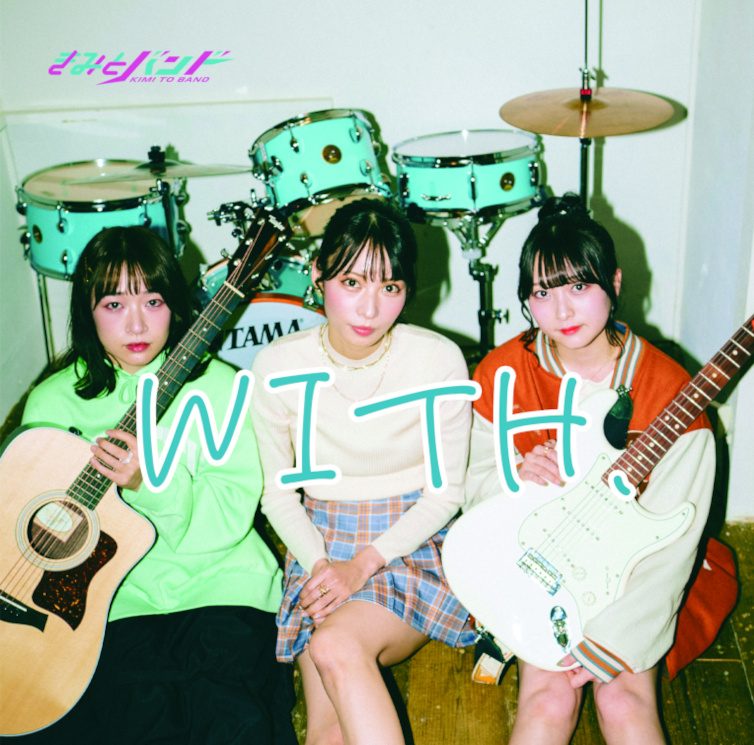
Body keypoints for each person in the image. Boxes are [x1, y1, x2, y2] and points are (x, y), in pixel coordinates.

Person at [16, 226, 296, 745]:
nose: (137, 323)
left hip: (222, 587)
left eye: (154, 301)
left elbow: (227, 519)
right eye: (114, 304)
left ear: (176, 306)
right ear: (87, 312)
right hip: (114, 604)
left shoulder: (224, 390)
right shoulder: (52, 403)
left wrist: (149, 483)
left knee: (235, 723)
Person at [464, 193, 715, 744]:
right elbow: (471, 484)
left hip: (635, 579)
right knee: (548, 699)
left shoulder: (669, 390)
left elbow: (675, 540)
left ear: (614, 283)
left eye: (579, 287)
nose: (563, 311)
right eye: (542, 293)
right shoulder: (502, 372)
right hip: (540, 567)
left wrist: (613, 639)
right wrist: (514, 479)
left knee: (623, 701)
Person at [250, 198, 477, 745]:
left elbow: (446, 494)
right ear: (317, 275)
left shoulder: (437, 360)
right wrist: (321, 563)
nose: (370, 309)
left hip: (408, 541)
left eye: (390, 287)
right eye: (351, 282)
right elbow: (277, 497)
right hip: (319, 542)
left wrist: (362, 566)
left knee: (331, 644)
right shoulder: (278, 364)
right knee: (327, 733)